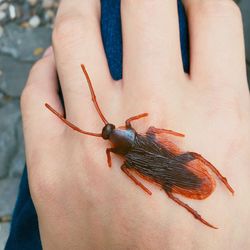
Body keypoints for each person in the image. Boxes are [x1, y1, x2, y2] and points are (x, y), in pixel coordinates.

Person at [6, 0, 250, 249]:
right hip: (159, 161)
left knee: (170, 184)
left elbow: (126, 167)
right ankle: (215, 194)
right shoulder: (136, 137)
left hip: (150, 168)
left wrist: (138, 176)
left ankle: (216, 189)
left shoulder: (123, 157)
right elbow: (152, 136)